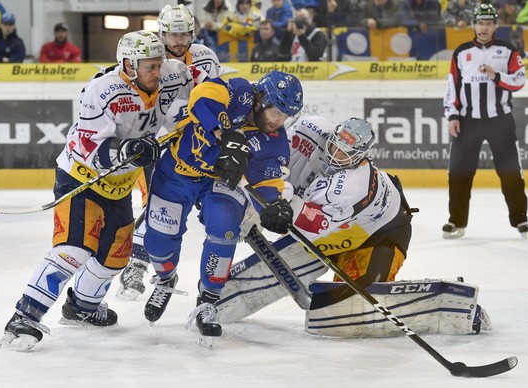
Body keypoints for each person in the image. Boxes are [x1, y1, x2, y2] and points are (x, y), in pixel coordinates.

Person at [0, 30, 195, 351]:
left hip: (119, 186)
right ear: (129, 65)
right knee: (74, 249)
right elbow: (89, 145)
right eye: (150, 66)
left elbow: (201, 91)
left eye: (160, 64)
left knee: (115, 257)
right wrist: (128, 149)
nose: (158, 72)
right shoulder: (101, 91)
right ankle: (25, 315)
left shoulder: (172, 75)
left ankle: (81, 307)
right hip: (81, 178)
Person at [141, 70, 303, 343]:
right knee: (158, 241)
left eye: (286, 116)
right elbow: (201, 97)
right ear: (260, 99)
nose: (279, 121)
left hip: (219, 182)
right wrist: (225, 132)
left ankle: (208, 300)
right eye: (276, 111)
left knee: (225, 226)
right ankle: (166, 278)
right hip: (177, 172)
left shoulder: (273, 142)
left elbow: (267, 181)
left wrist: (274, 206)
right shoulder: (238, 90)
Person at [215, 115, 414, 325]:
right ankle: (216, 293)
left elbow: (308, 225)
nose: (336, 154)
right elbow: (275, 157)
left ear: (360, 157)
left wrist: (277, 207)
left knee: (351, 314)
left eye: (345, 153)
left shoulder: (351, 187)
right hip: (339, 228)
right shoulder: (310, 127)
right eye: (335, 145)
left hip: (378, 235)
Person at [116, 3, 223, 300]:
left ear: (192, 33)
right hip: (157, 140)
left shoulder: (205, 57)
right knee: (154, 201)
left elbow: (213, 97)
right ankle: (137, 264)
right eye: (172, 34)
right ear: (162, 33)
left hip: (195, 143)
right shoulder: (148, 59)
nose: (178, 40)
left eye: (183, 33)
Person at [442, 3, 528, 240]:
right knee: (459, 172)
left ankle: (520, 218)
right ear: (473, 25)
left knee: (510, 171)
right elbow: (452, 86)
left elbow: (519, 81)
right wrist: (452, 115)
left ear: (495, 26)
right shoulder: (460, 52)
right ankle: (456, 221)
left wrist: (496, 75)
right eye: (480, 22)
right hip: (467, 122)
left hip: (500, 120)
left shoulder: (508, 50)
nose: (484, 27)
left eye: (489, 23)